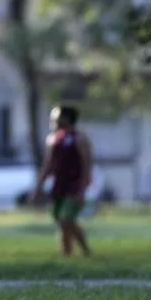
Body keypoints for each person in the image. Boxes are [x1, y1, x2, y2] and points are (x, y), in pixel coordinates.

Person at [33, 105, 93, 257]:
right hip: (58, 186)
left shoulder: (79, 138)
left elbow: (86, 164)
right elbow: (47, 165)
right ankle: (66, 254)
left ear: (65, 118)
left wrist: (83, 188)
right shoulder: (52, 139)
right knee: (61, 222)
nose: (52, 120)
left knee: (66, 218)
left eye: (55, 116)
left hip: (74, 185)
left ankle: (85, 250)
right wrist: (38, 187)